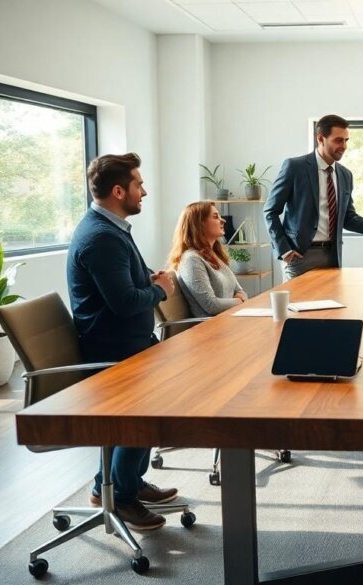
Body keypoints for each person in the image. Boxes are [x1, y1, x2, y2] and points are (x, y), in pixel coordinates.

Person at [67, 152, 179, 531]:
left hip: (128, 342)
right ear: (119, 191)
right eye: (138, 184)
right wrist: (161, 290)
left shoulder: (111, 228)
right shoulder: (101, 238)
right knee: (145, 413)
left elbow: (128, 282)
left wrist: (149, 278)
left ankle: (117, 484)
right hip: (113, 350)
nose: (144, 191)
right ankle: (123, 496)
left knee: (160, 401)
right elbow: (124, 302)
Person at [263, 113, 363, 279]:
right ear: (321, 139)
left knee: (331, 305)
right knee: (298, 304)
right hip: (299, 257)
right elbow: (270, 211)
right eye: (338, 140)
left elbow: (348, 218)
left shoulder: (345, 175)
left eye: (346, 140)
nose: (344, 146)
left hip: (332, 257)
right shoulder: (295, 167)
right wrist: (284, 250)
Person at [168, 201, 248, 316]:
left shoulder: (215, 255)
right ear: (199, 224)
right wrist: (239, 301)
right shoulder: (191, 260)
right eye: (216, 217)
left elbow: (240, 291)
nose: (223, 220)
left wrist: (240, 299)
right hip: (211, 328)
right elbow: (211, 305)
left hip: (229, 320)